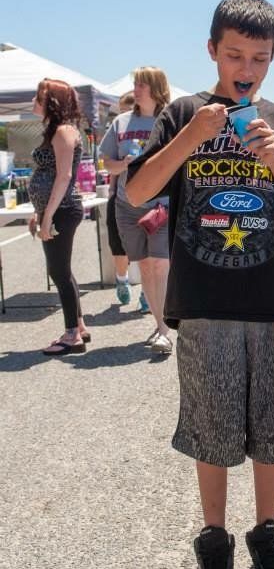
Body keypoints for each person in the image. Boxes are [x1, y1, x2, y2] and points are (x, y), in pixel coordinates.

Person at [125, 0, 274, 569]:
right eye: (234, 53)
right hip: (204, 299)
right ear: (211, 51)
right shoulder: (183, 112)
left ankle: (267, 536)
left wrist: (273, 161)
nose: (247, 66)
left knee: (272, 427)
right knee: (212, 427)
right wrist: (190, 136)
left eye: (259, 58)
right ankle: (215, 541)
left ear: (272, 61)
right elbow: (136, 191)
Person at [99, 68, 172, 354]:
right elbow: (108, 164)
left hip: (161, 206)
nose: (136, 88)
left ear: (155, 88)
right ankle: (159, 325)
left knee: (159, 264)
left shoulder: (168, 121)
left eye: (141, 84)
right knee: (143, 267)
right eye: (136, 84)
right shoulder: (121, 122)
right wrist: (126, 163)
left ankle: (165, 330)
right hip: (127, 206)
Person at [28, 79, 91, 356]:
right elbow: (51, 175)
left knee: (59, 271)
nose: (33, 101)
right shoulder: (55, 130)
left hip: (62, 210)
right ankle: (78, 324)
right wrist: (38, 211)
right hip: (55, 210)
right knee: (62, 269)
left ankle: (71, 335)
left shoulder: (64, 131)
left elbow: (64, 176)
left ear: (51, 102)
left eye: (38, 97)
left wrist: (47, 217)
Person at [104, 91, 148, 313]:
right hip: (120, 196)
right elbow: (108, 164)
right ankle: (122, 279)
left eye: (129, 109)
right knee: (119, 246)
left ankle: (147, 293)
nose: (125, 115)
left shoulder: (149, 128)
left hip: (147, 197)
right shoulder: (117, 129)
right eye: (122, 110)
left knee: (147, 248)